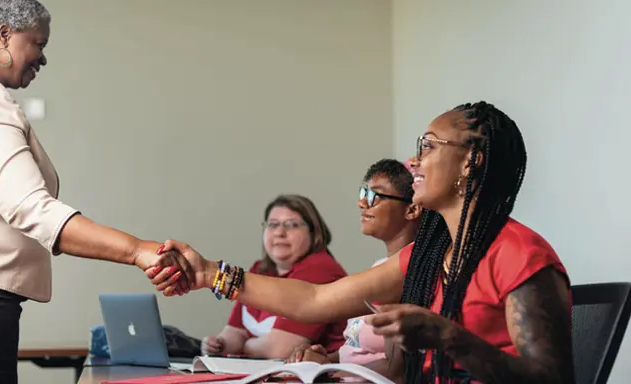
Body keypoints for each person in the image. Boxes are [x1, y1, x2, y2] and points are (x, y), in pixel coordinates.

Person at [151, 101, 575, 383]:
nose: (414, 161)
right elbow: (316, 301)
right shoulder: (429, 255)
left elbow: (552, 380)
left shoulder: (519, 254)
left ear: (472, 160)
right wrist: (210, 273)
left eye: (427, 147)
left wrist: (448, 337)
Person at [0, 1, 190, 383]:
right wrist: (139, 250)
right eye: (38, 43)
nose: (42, 58)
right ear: (4, 35)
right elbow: (32, 208)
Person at [287, 159, 421, 366]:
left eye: (375, 196)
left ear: (411, 210)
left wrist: (329, 370)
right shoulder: (380, 266)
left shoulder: (411, 273)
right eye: (363, 194)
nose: (362, 203)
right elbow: (359, 354)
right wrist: (322, 359)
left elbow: (398, 372)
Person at [201, 195, 348, 359]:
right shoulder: (259, 270)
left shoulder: (321, 268)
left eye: (292, 225)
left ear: (314, 233)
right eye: (273, 225)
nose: (279, 232)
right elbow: (236, 330)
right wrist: (219, 344)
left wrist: (243, 346)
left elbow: (280, 350)